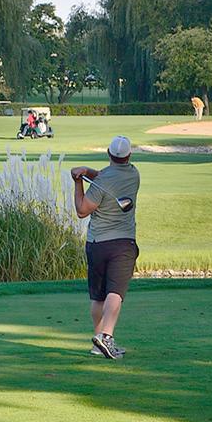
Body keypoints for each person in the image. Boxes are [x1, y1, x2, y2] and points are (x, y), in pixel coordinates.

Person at [71, 136, 141, 360]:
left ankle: (98, 340)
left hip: (96, 244)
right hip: (122, 243)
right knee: (115, 293)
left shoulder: (101, 183)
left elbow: (82, 210)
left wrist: (78, 181)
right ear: (128, 156)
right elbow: (102, 179)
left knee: (99, 296)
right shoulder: (134, 174)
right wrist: (88, 173)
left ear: (109, 154)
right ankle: (106, 337)